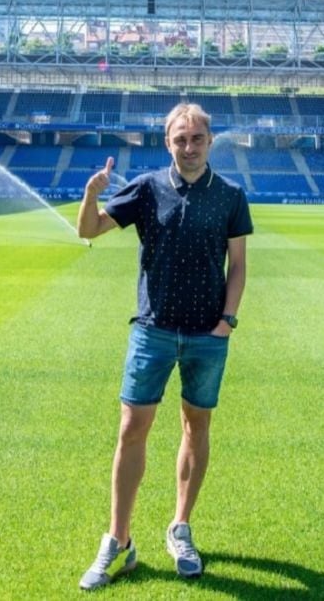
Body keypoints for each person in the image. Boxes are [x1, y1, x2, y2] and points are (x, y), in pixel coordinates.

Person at [76, 103, 253, 590]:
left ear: (210, 142)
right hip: (152, 330)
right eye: (180, 139)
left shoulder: (231, 196)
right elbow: (88, 231)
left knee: (197, 427)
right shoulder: (148, 188)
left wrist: (226, 322)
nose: (189, 147)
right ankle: (119, 540)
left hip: (206, 335)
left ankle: (180, 527)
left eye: (197, 138)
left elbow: (237, 265)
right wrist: (90, 196)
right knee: (132, 428)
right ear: (167, 142)